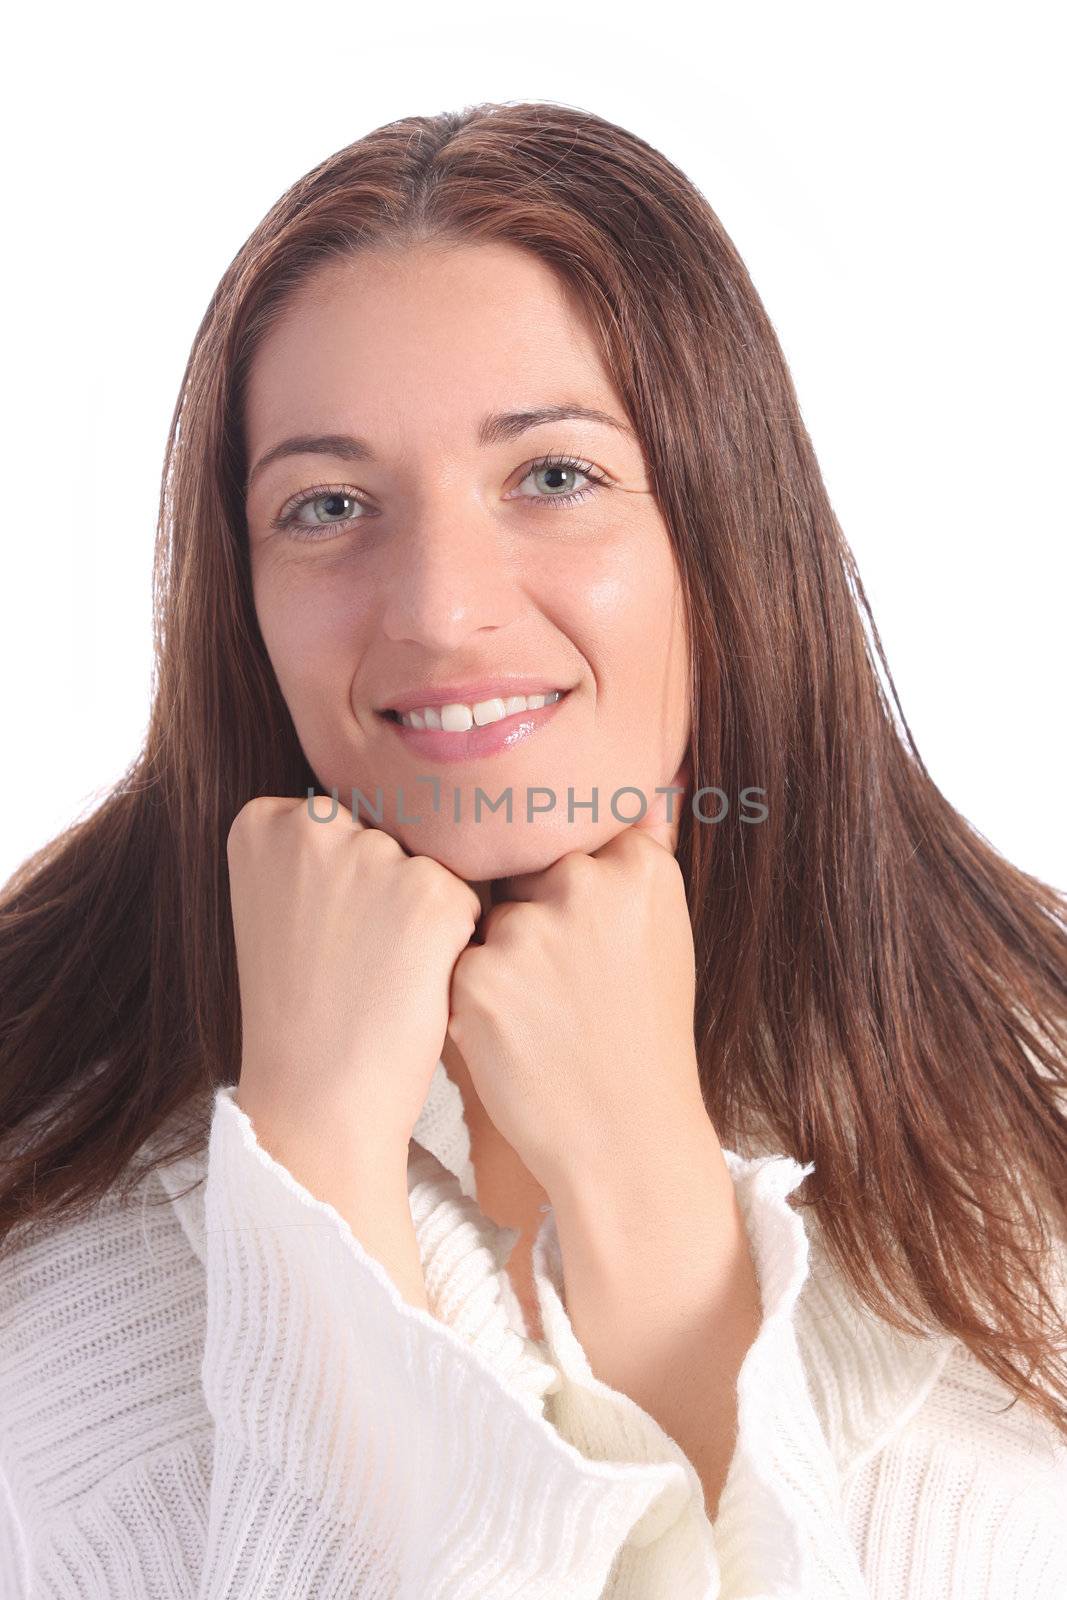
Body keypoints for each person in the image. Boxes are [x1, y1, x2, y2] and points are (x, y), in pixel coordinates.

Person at [0, 100, 1064, 1600]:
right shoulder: (41, 1133)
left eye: (552, 476)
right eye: (327, 506)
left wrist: (652, 1198)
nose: (438, 606)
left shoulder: (1036, 1091)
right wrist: (313, 1164)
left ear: (722, 523)